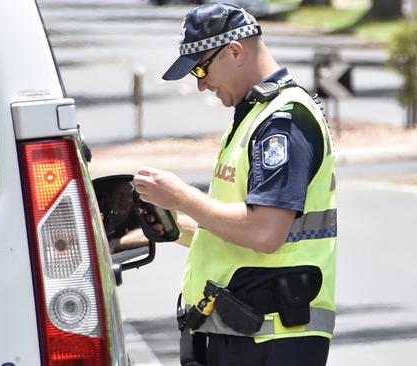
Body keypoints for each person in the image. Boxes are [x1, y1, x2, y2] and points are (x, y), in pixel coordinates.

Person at [132, 3, 337, 366]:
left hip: (272, 340)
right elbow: (237, 228)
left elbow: (264, 233)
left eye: (200, 68)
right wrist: (174, 226)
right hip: (246, 335)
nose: (200, 85)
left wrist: (181, 195)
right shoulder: (253, 117)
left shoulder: (282, 124)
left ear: (235, 51)